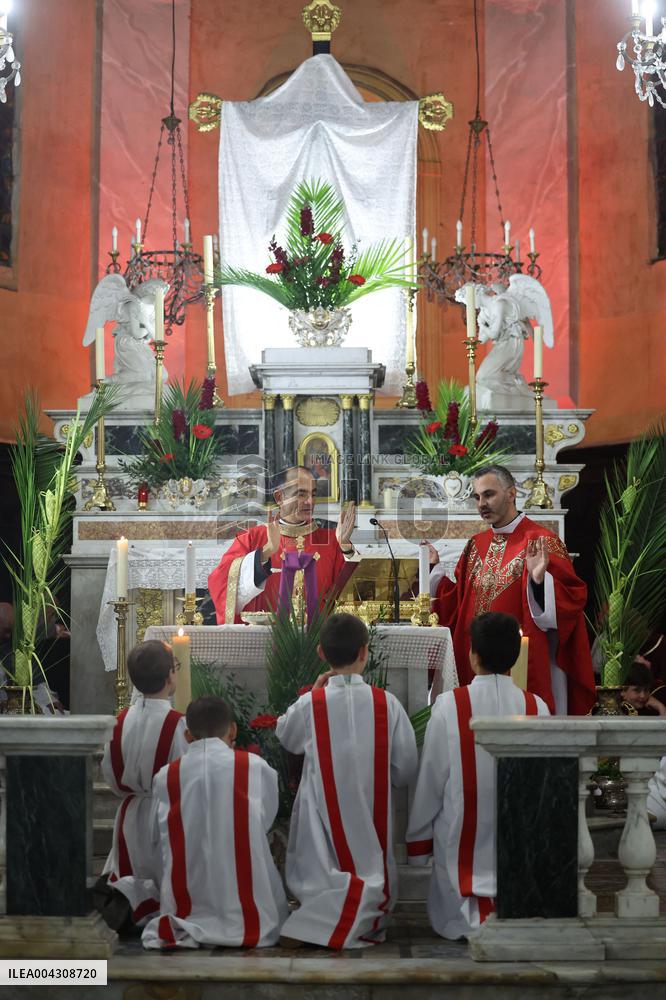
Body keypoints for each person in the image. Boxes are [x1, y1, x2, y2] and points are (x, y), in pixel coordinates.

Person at [275, 612, 418, 949]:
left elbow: (287, 737)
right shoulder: (387, 705)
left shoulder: (312, 704)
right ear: (365, 652)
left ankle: (321, 910)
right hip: (372, 814)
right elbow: (406, 768)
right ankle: (354, 909)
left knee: (320, 863)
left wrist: (312, 694)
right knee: (370, 866)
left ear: (321, 653)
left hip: (321, 816)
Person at [406, 612, 550, 940]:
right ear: (515, 656)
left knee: (451, 812)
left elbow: (430, 782)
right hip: (519, 853)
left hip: (459, 864)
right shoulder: (537, 707)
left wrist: (418, 846)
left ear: (473, 656)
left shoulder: (449, 706)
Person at [428, 464, 595, 714]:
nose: (482, 504)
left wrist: (539, 582)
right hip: (475, 662)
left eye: (489, 494)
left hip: (522, 664)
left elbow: (570, 602)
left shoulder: (542, 541)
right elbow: (458, 602)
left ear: (511, 494)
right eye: (477, 497)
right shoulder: (475, 545)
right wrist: (435, 571)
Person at [142, 696, 288, 950]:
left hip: (188, 889)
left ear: (187, 735)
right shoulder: (255, 767)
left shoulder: (166, 777)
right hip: (246, 890)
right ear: (233, 730)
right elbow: (263, 820)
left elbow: (160, 832)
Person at [99, 640, 188, 929]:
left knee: (132, 874)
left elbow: (109, 771)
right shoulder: (177, 724)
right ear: (170, 676)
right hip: (164, 811)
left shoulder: (119, 721)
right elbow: (184, 774)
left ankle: (130, 911)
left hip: (130, 810)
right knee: (164, 874)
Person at [209, 465, 360, 623]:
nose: (310, 501)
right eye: (301, 494)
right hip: (265, 636)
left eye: (313, 494)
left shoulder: (332, 541)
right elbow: (220, 583)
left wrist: (346, 548)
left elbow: (356, 592)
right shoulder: (252, 539)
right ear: (279, 497)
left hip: (319, 636)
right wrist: (265, 552)